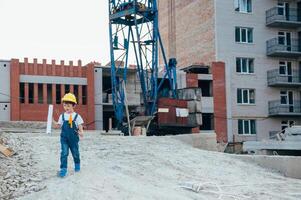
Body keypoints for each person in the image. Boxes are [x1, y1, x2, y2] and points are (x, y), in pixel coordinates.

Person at [52, 93, 84, 177]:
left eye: (68, 106)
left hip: (73, 139)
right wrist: (52, 121)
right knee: (64, 153)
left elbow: (81, 129)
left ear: (73, 105)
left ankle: (77, 165)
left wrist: (81, 133)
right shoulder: (62, 116)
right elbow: (58, 126)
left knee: (75, 153)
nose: (66, 108)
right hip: (64, 138)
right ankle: (63, 169)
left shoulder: (77, 116)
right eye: (65, 105)